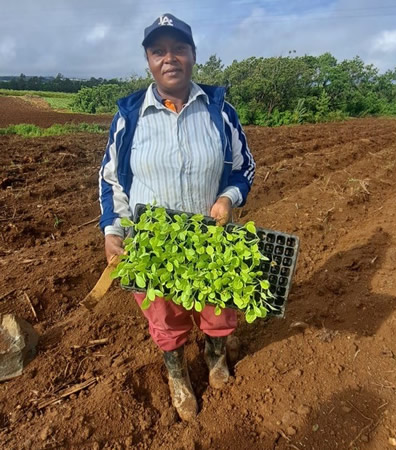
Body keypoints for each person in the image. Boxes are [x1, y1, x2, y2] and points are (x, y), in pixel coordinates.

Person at [99, 13, 255, 421]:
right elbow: (112, 180)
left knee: (218, 307)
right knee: (164, 315)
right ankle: (177, 374)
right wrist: (111, 230)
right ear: (149, 61)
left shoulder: (220, 111)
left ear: (193, 55)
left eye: (179, 49)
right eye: (159, 51)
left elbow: (243, 168)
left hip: (210, 238)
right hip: (154, 245)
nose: (170, 58)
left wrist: (227, 197)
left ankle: (215, 356)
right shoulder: (130, 117)